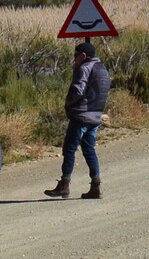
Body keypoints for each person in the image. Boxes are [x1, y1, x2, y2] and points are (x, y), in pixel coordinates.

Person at [46, 40, 110, 199]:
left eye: (76, 56)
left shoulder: (84, 68)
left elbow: (78, 90)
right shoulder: (102, 69)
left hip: (81, 115)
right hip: (95, 115)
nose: (74, 59)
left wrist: (68, 104)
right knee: (89, 150)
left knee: (69, 149)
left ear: (83, 55)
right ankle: (96, 187)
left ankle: (64, 185)